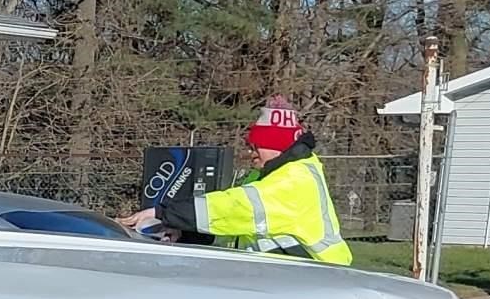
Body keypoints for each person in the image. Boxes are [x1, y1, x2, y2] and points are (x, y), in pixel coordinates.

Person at [121, 98, 352, 265]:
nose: (250, 152)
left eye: (255, 146)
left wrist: (162, 213)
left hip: (317, 278)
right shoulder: (268, 175)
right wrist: (188, 233)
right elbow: (235, 225)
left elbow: (234, 207)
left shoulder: (293, 180)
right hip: (289, 278)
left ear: (276, 146)